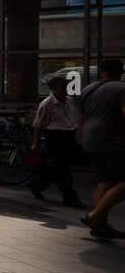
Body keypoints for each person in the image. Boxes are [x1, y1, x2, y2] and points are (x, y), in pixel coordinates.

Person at [79, 58, 125, 239]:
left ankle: (100, 226)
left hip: (90, 140)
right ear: (120, 72)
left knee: (105, 181)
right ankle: (94, 216)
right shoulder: (121, 89)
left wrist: (81, 138)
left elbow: (81, 117)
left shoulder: (88, 89)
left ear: (101, 72)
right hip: (113, 142)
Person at [28, 74, 85, 208]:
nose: (65, 88)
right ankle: (70, 197)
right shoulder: (46, 104)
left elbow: (76, 118)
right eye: (62, 86)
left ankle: (36, 184)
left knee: (59, 168)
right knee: (63, 169)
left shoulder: (69, 101)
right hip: (55, 137)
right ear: (53, 88)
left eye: (66, 85)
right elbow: (38, 125)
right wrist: (36, 143)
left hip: (70, 136)